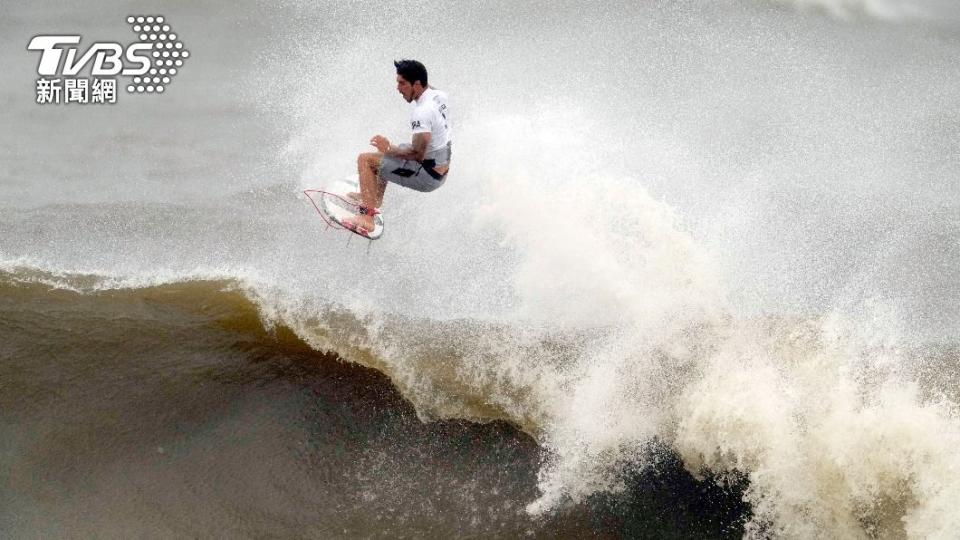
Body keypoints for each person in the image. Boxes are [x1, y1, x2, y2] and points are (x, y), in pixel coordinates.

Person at [342, 59, 452, 236]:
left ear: (416, 84)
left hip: (427, 177)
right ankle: (374, 198)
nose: (398, 88)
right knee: (390, 153)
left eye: (402, 83)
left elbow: (417, 154)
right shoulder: (439, 95)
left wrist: (388, 148)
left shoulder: (422, 113)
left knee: (366, 160)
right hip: (439, 166)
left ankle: (367, 219)